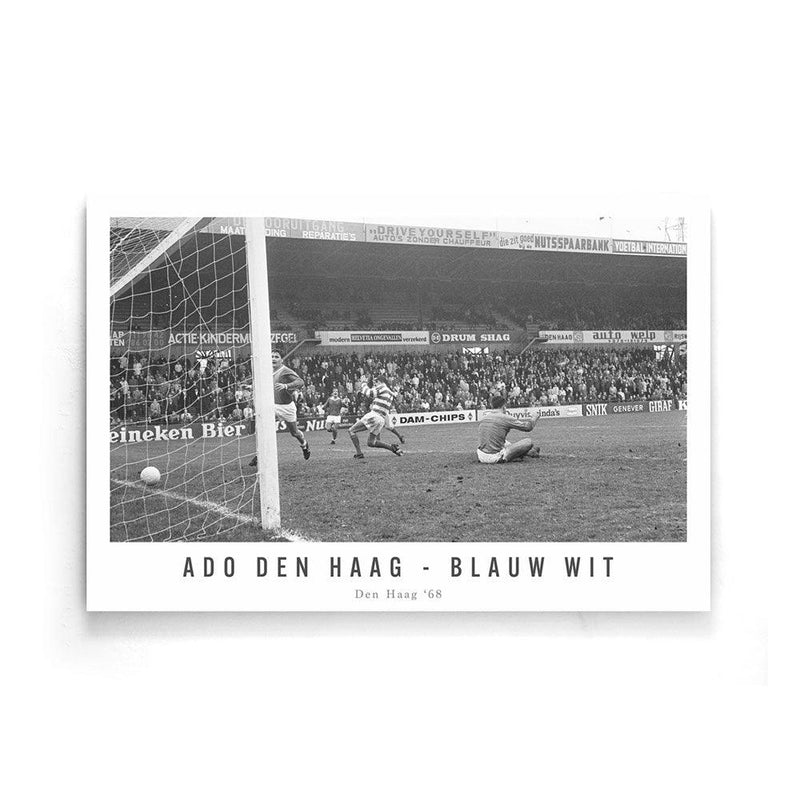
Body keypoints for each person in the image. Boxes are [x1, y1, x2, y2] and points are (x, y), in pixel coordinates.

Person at [249, 350, 310, 467]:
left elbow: (300, 382)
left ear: (282, 360)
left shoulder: (285, 371)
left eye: (276, 357)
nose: (273, 359)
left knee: (294, 433)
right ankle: (260, 454)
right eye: (271, 356)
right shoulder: (267, 370)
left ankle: (304, 444)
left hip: (287, 407)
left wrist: (286, 385)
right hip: (272, 405)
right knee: (264, 429)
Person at [349, 375, 403, 459]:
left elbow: (369, 393)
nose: (375, 384)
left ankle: (359, 453)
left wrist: (363, 383)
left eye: (376, 382)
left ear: (381, 381)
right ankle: (392, 448)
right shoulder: (389, 392)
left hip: (375, 415)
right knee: (371, 442)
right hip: (381, 419)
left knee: (351, 430)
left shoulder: (382, 387)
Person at [476, 395, 540, 464]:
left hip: (481, 455)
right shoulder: (505, 417)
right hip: (495, 457)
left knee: (505, 442)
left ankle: (528, 453)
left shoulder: (484, 417)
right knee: (528, 442)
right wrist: (534, 417)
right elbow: (527, 427)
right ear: (504, 406)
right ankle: (520, 454)